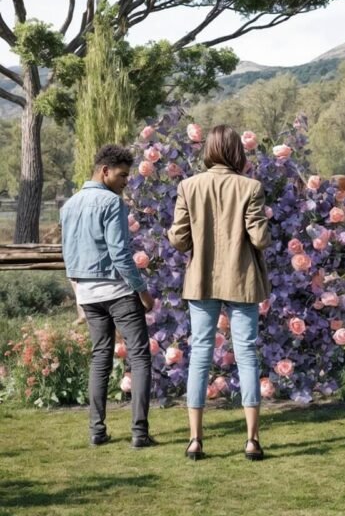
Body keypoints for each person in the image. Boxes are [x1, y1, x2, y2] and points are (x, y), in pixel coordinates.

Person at [169, 125, 271, 461]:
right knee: (246, 355)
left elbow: (179, 240)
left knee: (199, 355)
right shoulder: (251, 187)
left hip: (201, 279)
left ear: (209, 149)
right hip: (242, 279)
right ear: (236, 151)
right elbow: (260, 239)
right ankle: (252, 440)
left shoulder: (188, 186)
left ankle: (195, 440)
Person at [60, 144, 157, 448]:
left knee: (100, 357)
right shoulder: (112, 203)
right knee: (140, 356)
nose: (126, 180)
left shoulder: (69, 206)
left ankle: (96, 431)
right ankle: (139, 433)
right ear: (105, 171)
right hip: (118, 291)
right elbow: (120, 254)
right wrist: (142, 292)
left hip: (88, 294)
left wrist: (79, 295)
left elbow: (69, 256)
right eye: (122, 175)